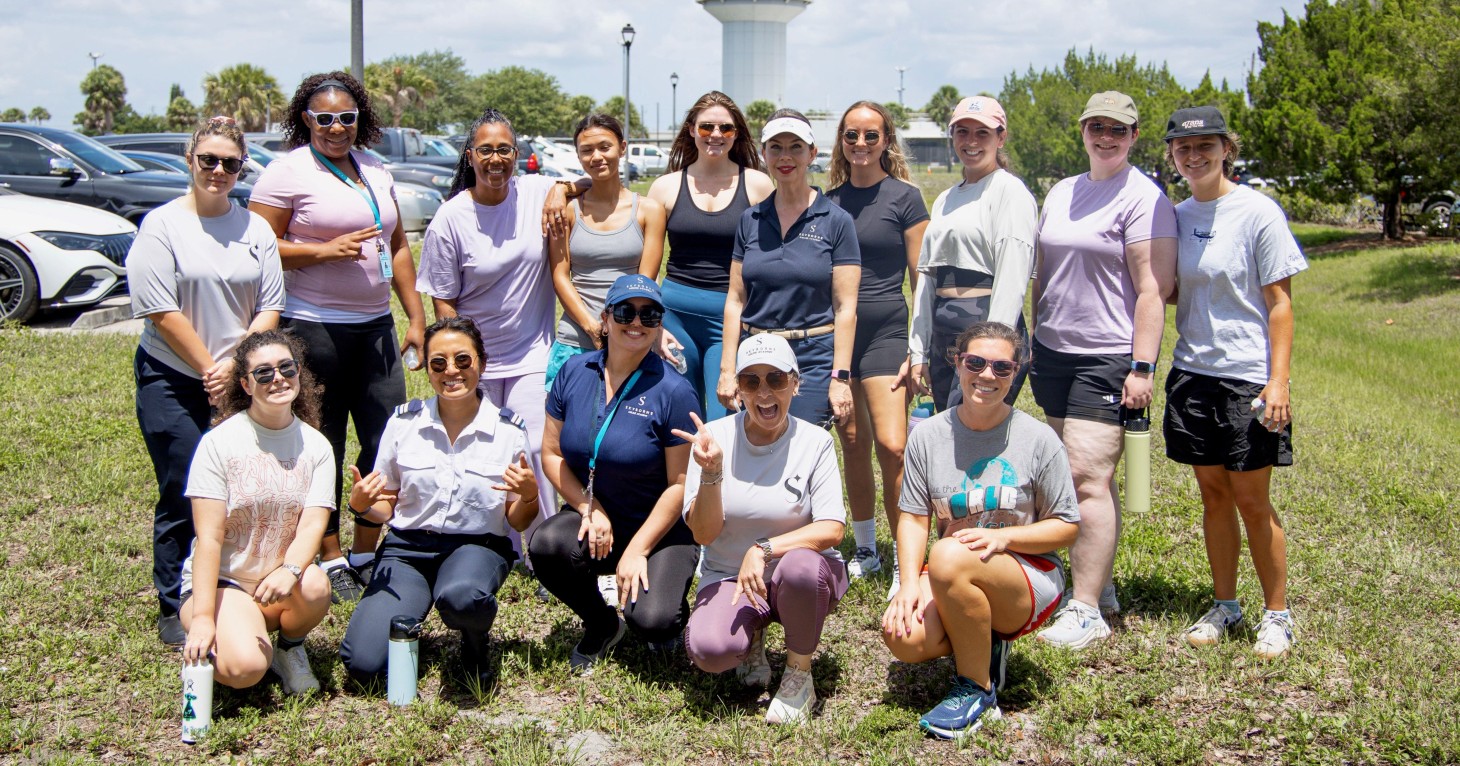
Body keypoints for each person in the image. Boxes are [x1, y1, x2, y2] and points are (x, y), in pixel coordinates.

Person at [249, 72, 428, 603]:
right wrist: (321, 252)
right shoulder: (286, 171)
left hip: (374, 327)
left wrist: (413, 316)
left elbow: (395, 244)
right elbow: (257, 243)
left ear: (360, 119)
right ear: (306, 118)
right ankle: (327, 555)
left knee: (384, 439)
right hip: (312, 325)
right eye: (324, 117)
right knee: (321, 443)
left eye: (346, 117)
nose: (335, 127)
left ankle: (367, 547)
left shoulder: (374, 168)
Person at [128, 116, 286, 647]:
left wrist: (237, 367)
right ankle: (174, 603)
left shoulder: (255, 229)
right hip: (174, 376)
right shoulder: (163, 225)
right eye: (208, 160)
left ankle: (228, 590)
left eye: (230, 163)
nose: (218, 170)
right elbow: (161, 310)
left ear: (242, 169)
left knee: (243, 488)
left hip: (242, 379)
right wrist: (209, 369)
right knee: (183, 486)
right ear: (190, 161)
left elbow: (271, 305)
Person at [882, 322, 1080, 739]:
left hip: (1028, 574)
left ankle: (977, 690)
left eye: (1002, 368)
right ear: (958, 363)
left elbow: (1067, 527)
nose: (987, 375)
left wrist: (1005, 538)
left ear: (1016, 372)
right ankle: (981, 638)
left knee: (949, 553)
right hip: (955, 569)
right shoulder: (928, 436)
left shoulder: (1039, 439)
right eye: (976, 362)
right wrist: (907, 585)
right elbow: (915, 518)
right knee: (903, 637)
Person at [1030, 92, 1178, 649]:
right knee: (1074, 474)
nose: (1106, 137)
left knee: (1087, 475)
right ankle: (1102, 580)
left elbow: (1151, 290)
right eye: (1097, 126)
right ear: (1083, 130)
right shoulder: (1063, 191)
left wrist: (1142, 367)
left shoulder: (1145, 198)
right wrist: (1033, 332)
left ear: (1134, 135)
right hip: (1053, 351)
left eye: (1118, 129)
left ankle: (1087, 608)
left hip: (1109, 355)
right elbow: (1042, 274)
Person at [1162, 106, 1306, 658]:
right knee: (1213, 495)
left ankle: (1277, 614)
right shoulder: (1174, 215)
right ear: (1173, 155)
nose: (1194, 156)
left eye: (1206, 146)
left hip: (1246, 378)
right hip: (1191, 373)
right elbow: (1172, 288)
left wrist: (1279, 381)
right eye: (1183, 148)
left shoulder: (1257, 213)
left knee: (1252, 499)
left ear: (1228, 149)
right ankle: (1225, 604)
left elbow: (1280, 304)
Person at [339, 317, 540, 687]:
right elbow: (387, 505)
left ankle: (474, 643)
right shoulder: (404, 424)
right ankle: (414, 606)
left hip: (476, 546)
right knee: (362, 665)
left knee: (461, 596)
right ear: (427, 369)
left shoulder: (509, 431)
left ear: (481, 361)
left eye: (463, 360)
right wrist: (363, 505)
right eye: (438, 363)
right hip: (408, 550)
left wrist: (529, 495)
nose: (451, 371)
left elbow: (517, 520)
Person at [417, 107, 572, 558]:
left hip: (531, 355)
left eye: (504, 149)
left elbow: (580, 183)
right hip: (474, 363)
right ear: (470, 157)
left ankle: (543, 549)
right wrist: (458, 359)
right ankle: (490, 543)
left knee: (538, 456)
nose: (496, 159)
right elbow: (442, 301)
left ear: (517, 154)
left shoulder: (538, 191)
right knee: (482, 456)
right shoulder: (450, 218)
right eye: (485, 150)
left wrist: (562, 189)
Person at [531, 275, 702, 673]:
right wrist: (588, 507)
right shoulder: (574, 371)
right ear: (605, 319)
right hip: (596, 517)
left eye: (650, 314)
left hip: (660, 530)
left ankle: (669, 604)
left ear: (660, 323)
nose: (636, 322)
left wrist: (639, 548)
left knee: (654, 622)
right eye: (625, 311)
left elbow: (680, 484)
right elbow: (551, 453)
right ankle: (602, 623)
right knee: (547, 545)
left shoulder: (674, 391)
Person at [679, 333, 848, 726]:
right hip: (729, 575)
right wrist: (711, 473)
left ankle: (798, 674)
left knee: (801, 568)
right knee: (710, 650)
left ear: (795, 383)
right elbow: (703, 534)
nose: (764, 392)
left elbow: (832, 528)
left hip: (800, 574)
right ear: (738, 389)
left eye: (776, 378)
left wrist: (764, 548)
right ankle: (750, 636)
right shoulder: (713, 440)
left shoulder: (815, 442)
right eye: (751, 381)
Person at [180, 330, 334, 695]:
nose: (278, 378)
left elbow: (313, 523)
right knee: (245, 669)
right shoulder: (218, 444)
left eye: (286, 368)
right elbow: (210, 537)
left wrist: (291, 569)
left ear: (299, 373)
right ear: (246, 385)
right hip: (225, 582)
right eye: (263, 373)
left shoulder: (317, 446)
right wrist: (203, 618)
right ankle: (222, 633)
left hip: (276, 583)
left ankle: (290, 650)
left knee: (314, 585)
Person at [823, 101, 930, 586]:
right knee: (852, 442)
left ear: (886, 139)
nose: (861, 144)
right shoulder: (827, 203)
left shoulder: (905, 198)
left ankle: (908, 554)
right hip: (839, 336)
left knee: (893, 445)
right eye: (852, 136)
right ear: (840, 143)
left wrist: (919, 344)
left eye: (871, 135)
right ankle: (866, 549)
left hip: (888, 331)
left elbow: (919, 277)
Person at [719, 109, 860, 427]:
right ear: (763, 154)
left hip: (812, 358)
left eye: (795, 146)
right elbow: (735, 300)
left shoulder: (837, 221)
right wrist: (728, 370)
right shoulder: (750, 219)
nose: (786, 156)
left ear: (812, 153)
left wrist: (839, 377)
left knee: (802, 456)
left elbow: (845, 307)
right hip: (754, 357)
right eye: (776, 147)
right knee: (752, 454)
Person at [648, 92, 775, 420]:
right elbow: (647, 268)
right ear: (691, 130)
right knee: (680, 418)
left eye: (725, 128)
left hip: (730, 320)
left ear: (736, 134)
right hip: (675, 319)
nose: (716, 135)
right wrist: (656, 324)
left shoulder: (759, 186)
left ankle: (720, 475)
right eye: (706, 127)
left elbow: (774, 259)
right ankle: (681, 475)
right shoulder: (665, 187)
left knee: (725, 419)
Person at [908, 96, 1037, 411]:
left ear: (1001, 137)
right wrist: (918, 352)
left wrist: (991, 351)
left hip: (985, 328)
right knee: (947, 432)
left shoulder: (1010, 192)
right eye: (962, 132)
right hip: (943, 330)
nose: (971, 142)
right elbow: (927, 279)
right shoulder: (944, 199)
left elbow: (1012, 278)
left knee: (974, 434)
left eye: (983, 133)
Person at [545, 114, 667, 390]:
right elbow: (560, 275)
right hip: (575, 341)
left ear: (622, 148)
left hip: (631, 339)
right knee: (567, 429)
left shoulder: (649, 211)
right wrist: (591, 326)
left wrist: (616, 328)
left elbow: (644, 283)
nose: (597, 157)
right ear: (578, 156)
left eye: (605, 147)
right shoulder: (566, 211)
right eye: (586, 150)